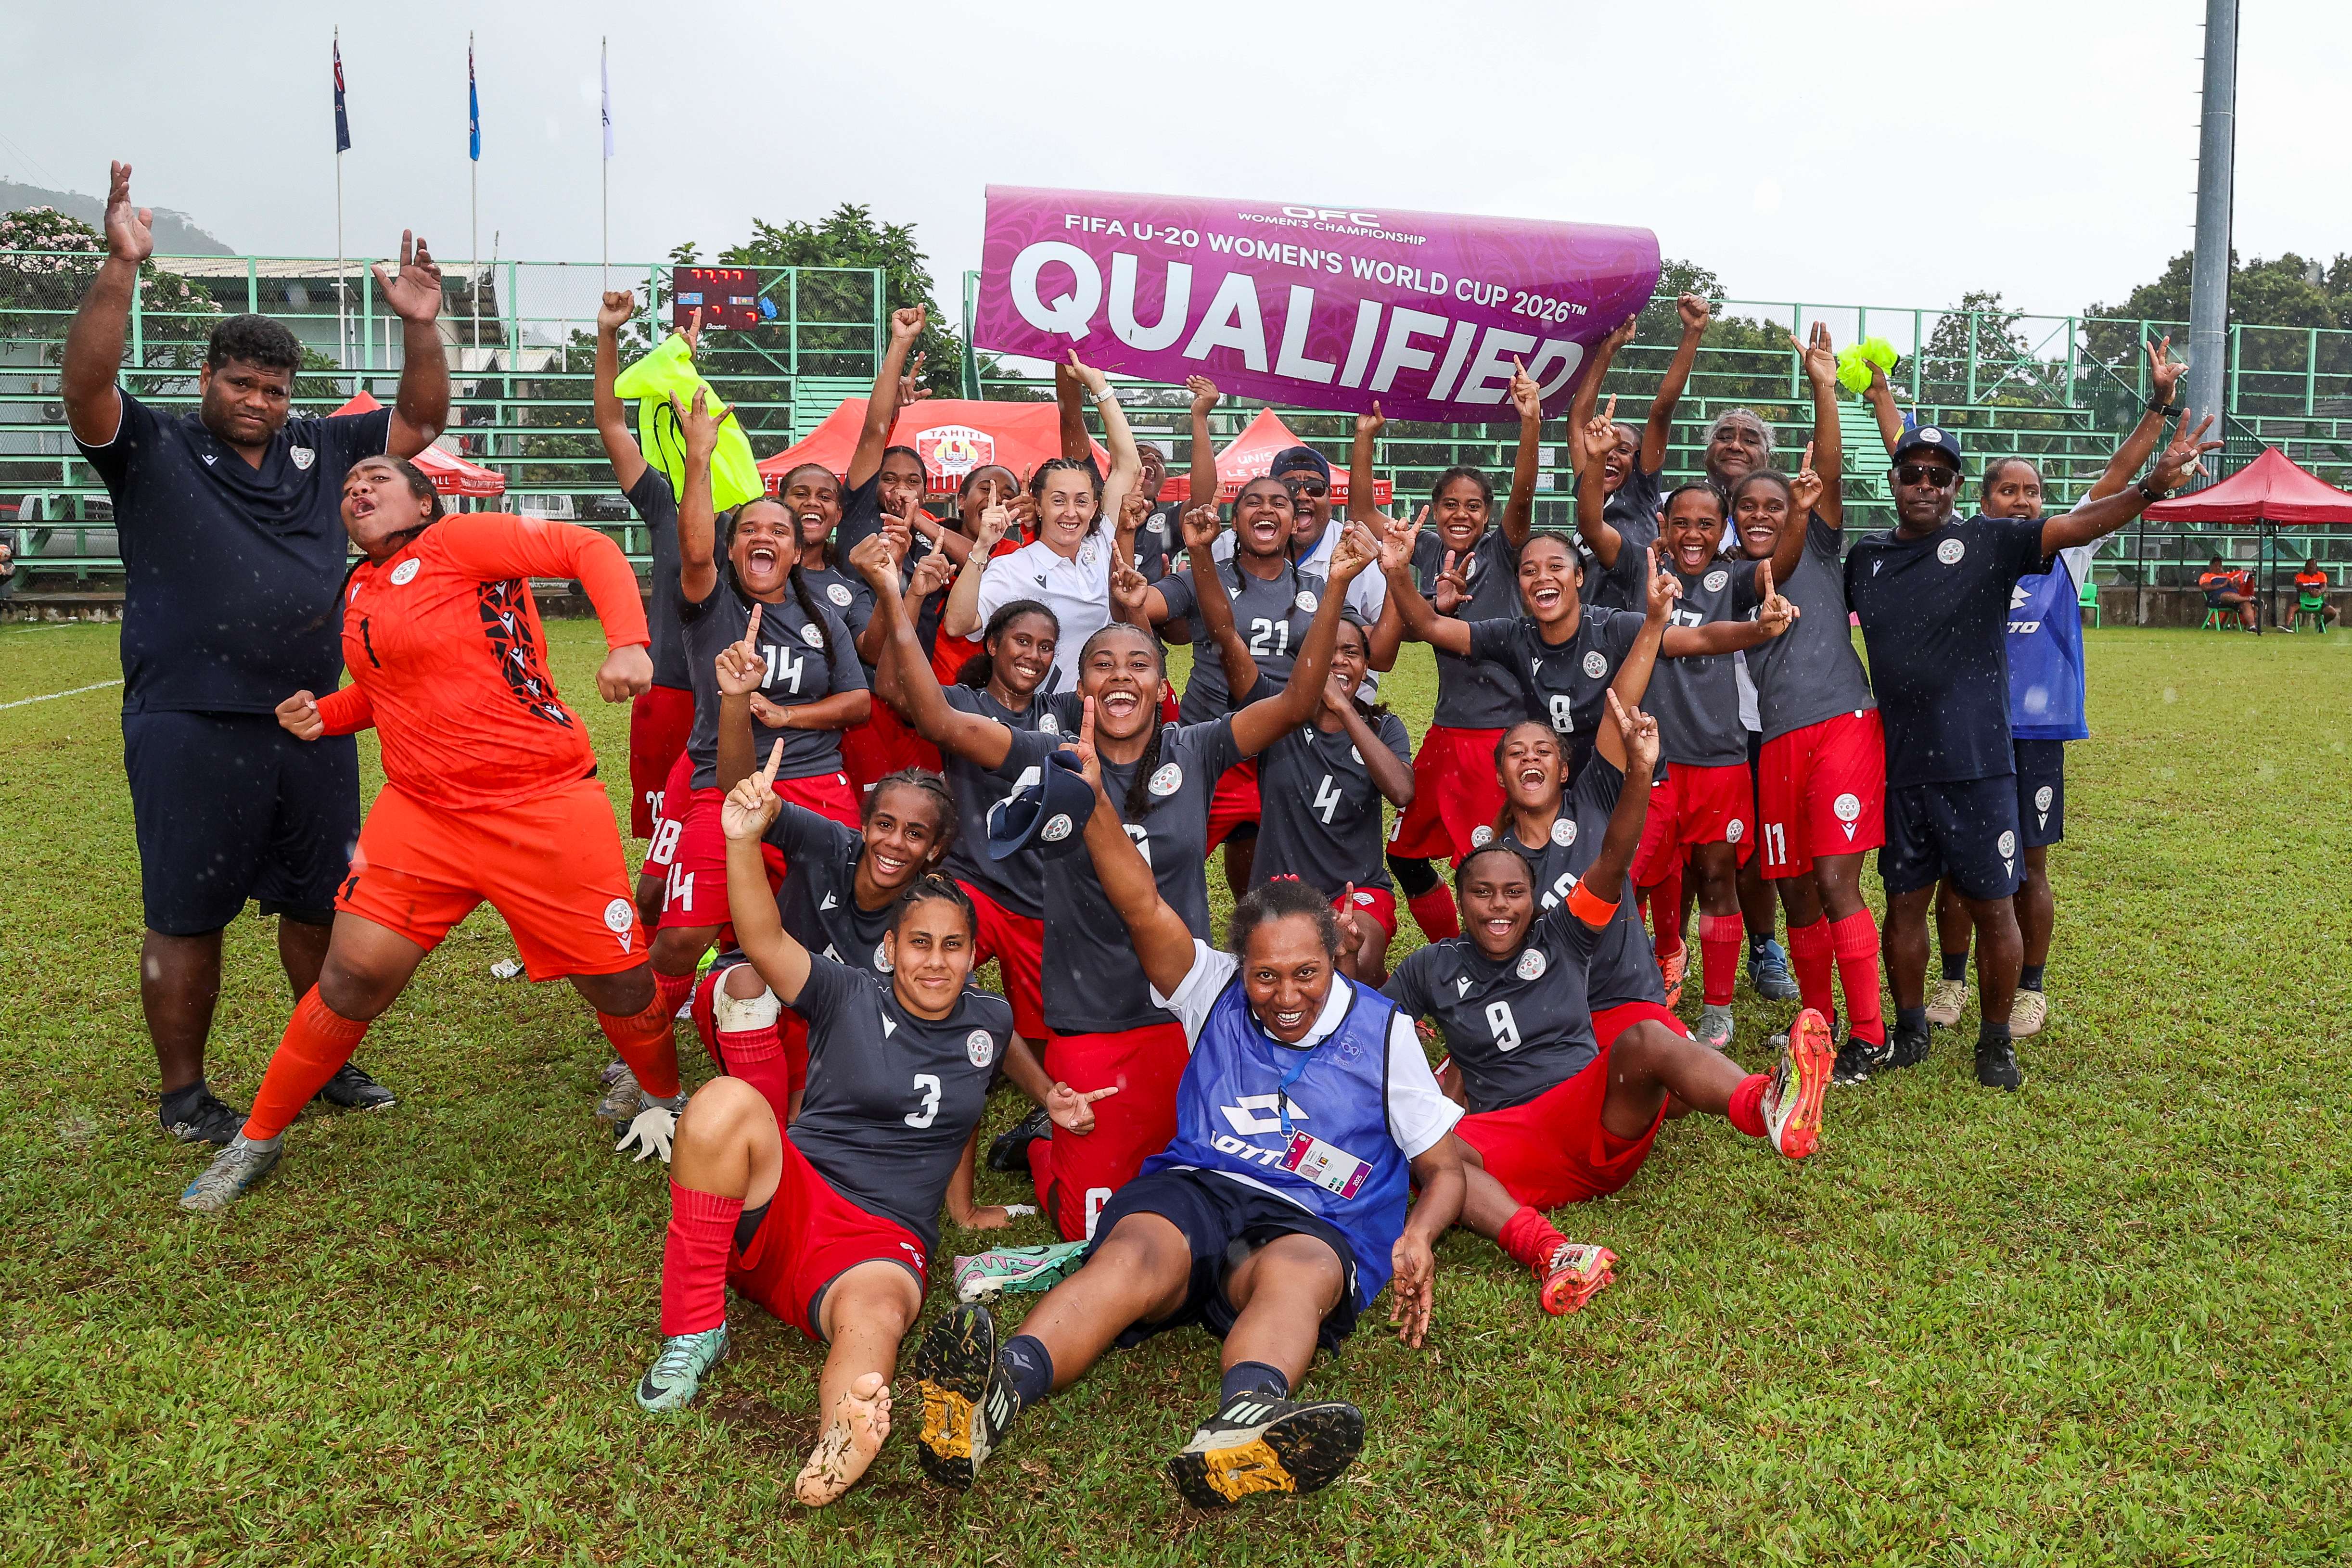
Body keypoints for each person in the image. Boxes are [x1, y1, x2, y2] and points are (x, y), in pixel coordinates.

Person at [908, 700, 1467, 1508]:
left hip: (1311, 1217)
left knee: (1297, 1274)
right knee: (1130, 1254)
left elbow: (1444, 1168)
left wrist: (1418, 1234)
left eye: (1304, 974)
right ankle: (996, 1390)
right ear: (1241, 964)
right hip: (1199, 1188)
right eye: (1264, 975)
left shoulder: (1384, 1032)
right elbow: (1142, 903)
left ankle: (1243, 1427)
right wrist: (1094, 802)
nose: (1284, 995)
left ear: (1336, 955)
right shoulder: (1211, 987)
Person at [62, 164, 449, 1144]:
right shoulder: (153, 447)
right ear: (207, 378)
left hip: (312, 718)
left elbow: (421, 422)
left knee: (321, 904)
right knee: (187, 914)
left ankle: (322, 1060)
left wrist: (419, 325)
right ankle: (185, 1094)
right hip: (187, 718)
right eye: (241, 384)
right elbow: (87, 385)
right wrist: (121, 266)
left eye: (275, 390)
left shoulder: (322, 448)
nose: (260, 402)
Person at [177, 457, 680, 1210]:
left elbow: (591, 547)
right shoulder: (362, 586)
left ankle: (664, 1095)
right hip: (422, 814)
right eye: (350, 486)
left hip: (541, 803)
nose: (358, 489)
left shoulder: (462, 541)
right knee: (351, 977)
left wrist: (628, 641)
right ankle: (258, 1137)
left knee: (620, 981)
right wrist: (326, 714)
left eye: (377, 478)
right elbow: (390, 689)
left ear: (423, 501)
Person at [634, 743, 1108, 1508]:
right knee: (722, 1102)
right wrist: (743, 839)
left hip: (880, 1244)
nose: (935, 961)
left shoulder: (988, 1021)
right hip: (788, 1200)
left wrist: (1048, 1096)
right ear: (890, 948)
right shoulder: (846, 991)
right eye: (920, 942)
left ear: (973, 957)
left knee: (878, 1316)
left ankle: (840, 1438)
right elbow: (763, 939)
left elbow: (983, 1076)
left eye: (953, 946)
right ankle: (694, 1328)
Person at [881, 522, 1381, 1243]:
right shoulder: (1051, 754)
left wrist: (1335, 585)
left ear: (1160, 684)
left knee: (1207, 1187)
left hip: (1184, 1016)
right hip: (1091, 1017)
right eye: (1102, 665)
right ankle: (1046, 1147)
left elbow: (1297, 702)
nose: (1120, 676)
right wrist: (893, 594)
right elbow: (936, 716)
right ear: (1080, 685)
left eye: (1138, 664)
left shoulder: (1196, 747)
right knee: (1097, 1226)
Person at [1384, 693, 1832, 1313]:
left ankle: (1766, 1105)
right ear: (1461, 899)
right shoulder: (1430, 966)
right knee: (1425, 1145)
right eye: (1482, 893)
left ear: (1533, 898)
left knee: (1645, 1040)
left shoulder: (1562, 934)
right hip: (1513, 1138)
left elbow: (1615, 854)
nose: (1499, 906)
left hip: (1592, 1112)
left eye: (1513, 892)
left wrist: (1641, 770)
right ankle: (1553, 1252)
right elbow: (1367, 1025)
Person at [1844, 403, 2218, 1090]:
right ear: (1893, 480)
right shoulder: (1865, 557)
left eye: (1939, 475)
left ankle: (1995, 1043)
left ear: (1957, 488)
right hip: (1899, 768)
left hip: (1983, 764)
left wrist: (2151, 487)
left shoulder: (1990, 541)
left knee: (1995, 904)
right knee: (1903, 903)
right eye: (1913, 472)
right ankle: (1910, 1030)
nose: (1924, 483)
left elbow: (2080, 523)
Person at [643, 395, 869, 1034]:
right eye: (749, 530)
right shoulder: (711, 605)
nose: (763, 537)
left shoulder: (824, 616)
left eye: (778, 531)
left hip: (816, 783)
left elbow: (856, 703)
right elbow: (693, 554)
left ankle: (819, 1037)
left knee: (828, 929)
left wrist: (787, 716)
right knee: (679, 937)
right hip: (722, 786)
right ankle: (645, 1056)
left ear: (796, 552)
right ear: (732, 547)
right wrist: (698, 457)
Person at [1728, 325, 1893, 1083]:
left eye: (1775, 503)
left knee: (1834, 880)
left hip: (1841, 725)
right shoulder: (1734, 575)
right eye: (1749, 506)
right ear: (1735, 516)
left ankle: (1871, 1033)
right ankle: (1816, 1022)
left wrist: (1824, 386)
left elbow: (1824, 470)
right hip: (1777, 740)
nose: (1763, 514)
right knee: (1795, 887)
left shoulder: (1816, 543)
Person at [1347, 390, 1542, 943]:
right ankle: (1455, 950)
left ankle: (1507, 960)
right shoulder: (1428, 551)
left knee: (1491, 866)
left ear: (1489, 513)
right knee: (1405, 854)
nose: (1461, 514)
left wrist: (1530, 423)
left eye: (1474, 506)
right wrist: (1364, 439)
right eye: (1450, 504)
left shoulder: (1504, 551)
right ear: (1434, 509)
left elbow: (1523, 495)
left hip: (1497, 736)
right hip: (1446, 732)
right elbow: (1362, 515)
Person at [858, 540, 1061, 1048]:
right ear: (991, 645)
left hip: (1040, 900)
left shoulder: (1063, 712)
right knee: (929, 965)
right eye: (1021, 641)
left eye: (1045, 646)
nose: (1033, 655)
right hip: (975, 884)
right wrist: (911, 596)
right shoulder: (957, 704)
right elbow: (891, 688)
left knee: (1043, 1047)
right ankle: (919, 1042)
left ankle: (988, 1036)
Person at [1623, 481, 1797, 1045]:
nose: (1692, 534)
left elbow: (1779, 564)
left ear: (1723, 530)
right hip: (1653, 762)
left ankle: (1717, 1009)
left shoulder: (1735, 579)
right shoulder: (1641, 575)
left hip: (1719, 760)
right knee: (1634, 880)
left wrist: (1800, 513)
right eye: (1681, 522)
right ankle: (1633, 989)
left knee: (1718, 876)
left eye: (1706, 524)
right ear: (1663, 525)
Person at [1198, 574, 1416, 983]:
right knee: (1277, 975)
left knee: (1357, 956)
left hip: (1356, 890)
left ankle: (1377, 992)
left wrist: (1345, 709)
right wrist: (1201, 556)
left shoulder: (1384, 728)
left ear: (1366, 665)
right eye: (1327, 652)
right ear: (1306, 661)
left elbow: (1402, 790)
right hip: (1282, 890)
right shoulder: (1277, 715)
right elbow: (1225, 636)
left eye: (1351, 652)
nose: (1339, 662)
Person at [593, 294, 703, 944]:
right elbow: (611, 422)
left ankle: (717, 945)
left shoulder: (755, 516)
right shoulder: (665, 501)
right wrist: (609, 335)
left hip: (733, 698)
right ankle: (659, 950)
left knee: (728, 829)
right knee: (667, 844)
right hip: (667, 693)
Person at [946, 355, 1147, 693]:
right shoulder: (1014, 569)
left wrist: (1099, 385)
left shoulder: (1102, 544)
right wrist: (981, 548)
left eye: (1081, 501)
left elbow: (1128, 465)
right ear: (1038, 506)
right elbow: (958, 625)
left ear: (1095, 507)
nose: (1071, 512)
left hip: (1103, 709)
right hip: (1044, 716)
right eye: (1058, 500)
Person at [1566, 295, 1712, 611]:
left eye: (1622, 449)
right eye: (1605, 446)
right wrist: (1608, 350)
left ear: (1638, 459)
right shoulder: (1589, 485)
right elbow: (1578, 421)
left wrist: (1692, 334)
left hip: (1634, 619)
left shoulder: (1641, 491)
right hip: (1589, 622)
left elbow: (1661, 411)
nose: (1609, 454)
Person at [2197, 555, 2258, 630]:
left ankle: (2253, 626)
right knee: (2228, 595)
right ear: (2211, 567)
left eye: (2220, 566)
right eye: (2216, 566)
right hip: (2217, 599)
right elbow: (2206, 587)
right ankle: (2250, 599)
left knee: (2246, 604)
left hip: (2233, 599)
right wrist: (2223, 585)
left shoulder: (2226, 576)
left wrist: (2235, 584)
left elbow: (2235, 587)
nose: (2218, 568)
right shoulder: (2207, 576)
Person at [2293, 557, 2338, 628]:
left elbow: (2324, 587)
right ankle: (2287, 626)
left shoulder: (2322, 575)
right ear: (2306, 566)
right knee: (2291, 609)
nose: (2311, 567)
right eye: (2309, 565)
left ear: (2316, 567)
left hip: (2319, 604)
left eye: (2313, 565)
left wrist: (2320, 591)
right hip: (2301, 603)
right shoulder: (2299, 576)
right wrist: (2310, 591)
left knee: (2332, 613)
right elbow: (2300, 587)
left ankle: (2322, 624)